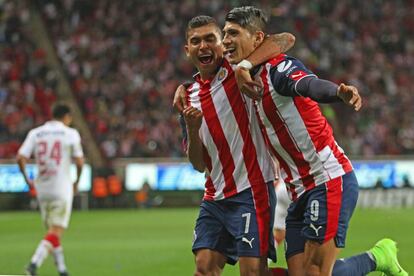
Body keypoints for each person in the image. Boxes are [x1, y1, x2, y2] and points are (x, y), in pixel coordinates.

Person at [176, 6, 407, 276]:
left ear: (256, 38)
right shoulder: (209, 86)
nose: (225, 40)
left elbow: (306, 79)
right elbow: (198, 159)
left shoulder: (273, 70)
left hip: (326, 177)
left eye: (231, 34)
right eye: (224, 34)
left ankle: (375, 260)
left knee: (313, 272)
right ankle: (378, 256)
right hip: (295, 190)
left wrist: (337, 92)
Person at [180, 15, 295, 276]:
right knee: (204, 268)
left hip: (251, 190)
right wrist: (192, 128)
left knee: (253, 272)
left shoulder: (237, 70)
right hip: (215, 196)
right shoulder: (187, 97)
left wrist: (244, 66)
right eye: (195, 41)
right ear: (187, 50)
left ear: (223, 44)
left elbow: (286, 39)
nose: (203, 46)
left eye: (210, 38)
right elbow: (198, 165)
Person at [17, 103, 84, 276]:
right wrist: (77, 181)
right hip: (61, 187)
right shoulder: (70, 133)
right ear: (67, 117)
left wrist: (27, 179)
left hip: (42, 188)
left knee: (52, 232)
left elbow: (20, 157)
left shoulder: (36, 133)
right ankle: (33, 264)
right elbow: (79, 161)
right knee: (56, 231)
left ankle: (62, 270)